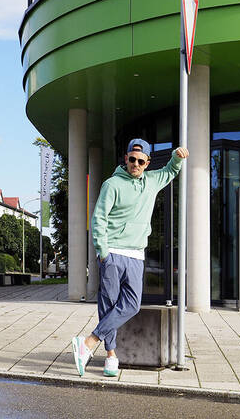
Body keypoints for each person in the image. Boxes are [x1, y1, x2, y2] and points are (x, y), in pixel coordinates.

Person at [71, 138, 189, 377]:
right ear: (126, 159)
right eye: (132, 159)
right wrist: (103, 252)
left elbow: (171, 170)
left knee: (131, 305)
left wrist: (177, 157)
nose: (135, 164)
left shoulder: (152, 181)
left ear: (147, 163)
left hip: (136, 255)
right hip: (112, 253)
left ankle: (88, 342)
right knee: (108, 306)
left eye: (140, 161)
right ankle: (111, 357)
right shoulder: (112, 184)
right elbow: (99, 219)